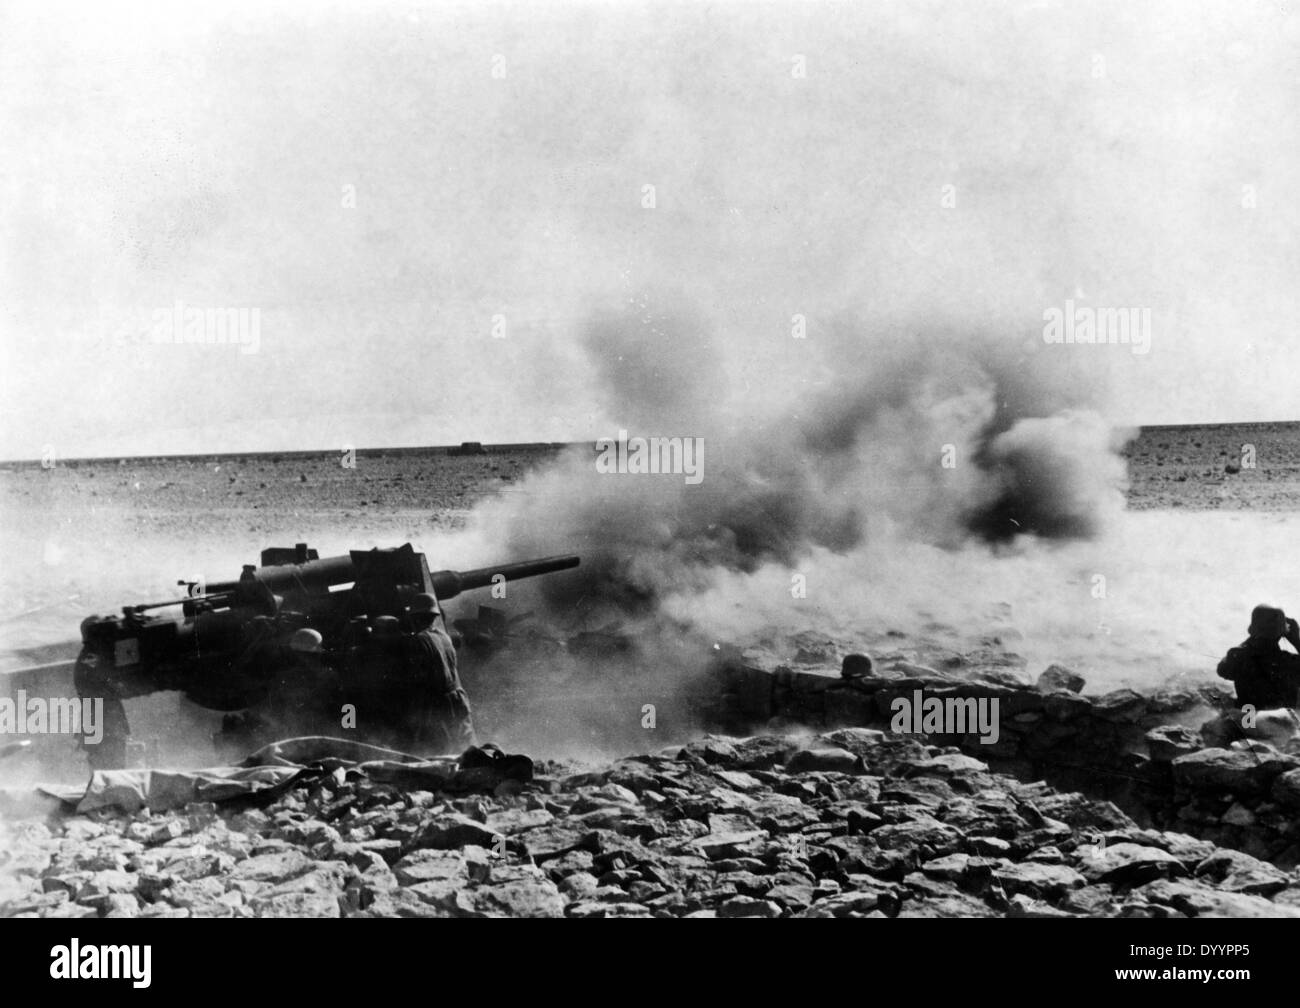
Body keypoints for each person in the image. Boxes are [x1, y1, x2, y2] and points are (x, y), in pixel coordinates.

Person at [404, 593, 475, 754]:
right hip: (458, 699)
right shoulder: (444, 637)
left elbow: (418, 680)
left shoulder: (418, 641)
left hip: (439, 704)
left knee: (440, 751)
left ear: (416, 618)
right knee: (464, 745)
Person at [1217, 604, 1300, 710]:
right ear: (1282, 632)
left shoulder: (1237, 655)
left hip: (1248, 719)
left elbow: (1222, 670)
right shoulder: (1289, 661)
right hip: (1283, 722)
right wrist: (1296, 641)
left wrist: (1253, 636)